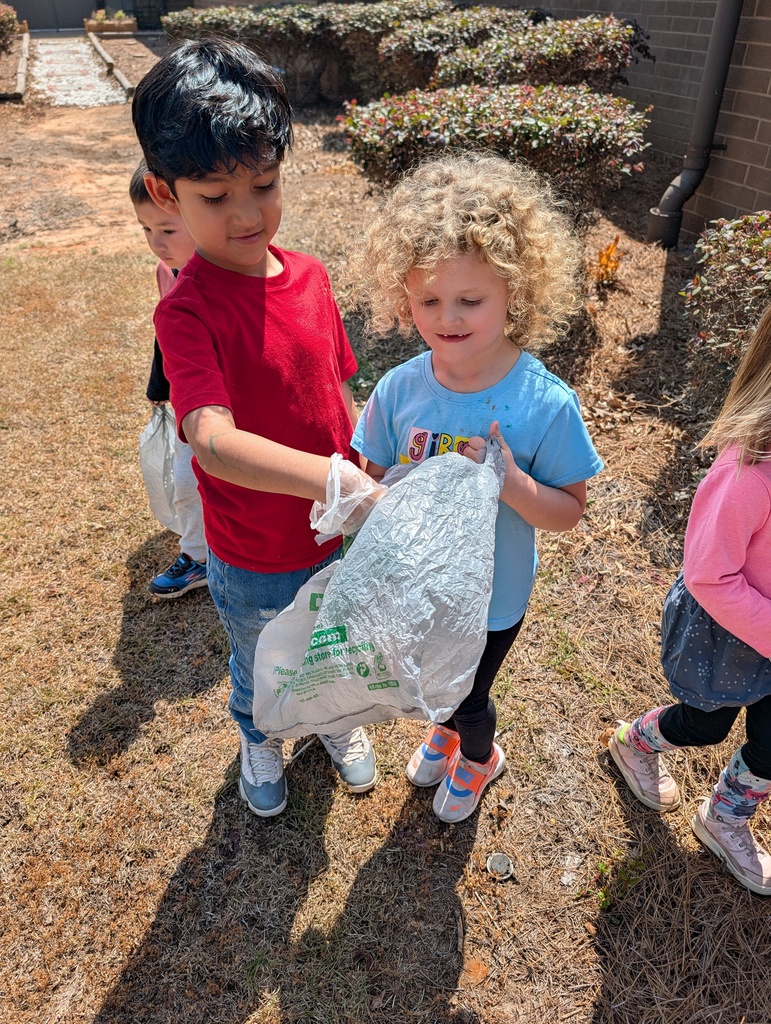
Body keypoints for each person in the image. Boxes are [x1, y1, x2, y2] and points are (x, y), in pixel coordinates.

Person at [131, 37, 385, 818]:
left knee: (332, 639)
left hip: (335, 526)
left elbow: (336, 386)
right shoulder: (187, 311)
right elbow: (209, 436)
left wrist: (363, 466)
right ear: (165, 194)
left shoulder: (309, 274)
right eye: (214, 196)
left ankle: (332, 723)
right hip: (251, 546)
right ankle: (259, 734)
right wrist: (329, 479)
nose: (246, 214)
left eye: (264, 185)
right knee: (261, 656)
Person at [349, 154, 604, 823]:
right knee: (435, 686)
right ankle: (447, 726)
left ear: (513, 294)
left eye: (470, 299)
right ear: (402, 296)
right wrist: (346, 499)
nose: (448, 317)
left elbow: (569, 512)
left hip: (493, 596)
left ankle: (477, 755)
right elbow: (367, 475)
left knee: (469, 695)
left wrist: (514, 483)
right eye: (428, 299)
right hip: (419, 585)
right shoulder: (399, 389)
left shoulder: (542, 404)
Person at [606, 304, 771, 896]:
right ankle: (638, 742)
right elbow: (710, 576)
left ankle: (724, 816)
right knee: (705, 725)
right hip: (729, 637)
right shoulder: (750, 473)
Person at [130, 161, 208, 599]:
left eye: (167, 230)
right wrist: (159, 388)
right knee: (187, 481)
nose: (156, 244)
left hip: (225, 409)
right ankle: (198, 556)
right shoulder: (168, 272)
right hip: (186, 404)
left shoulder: (226, 277)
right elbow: (168, 335)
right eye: (146, 229)